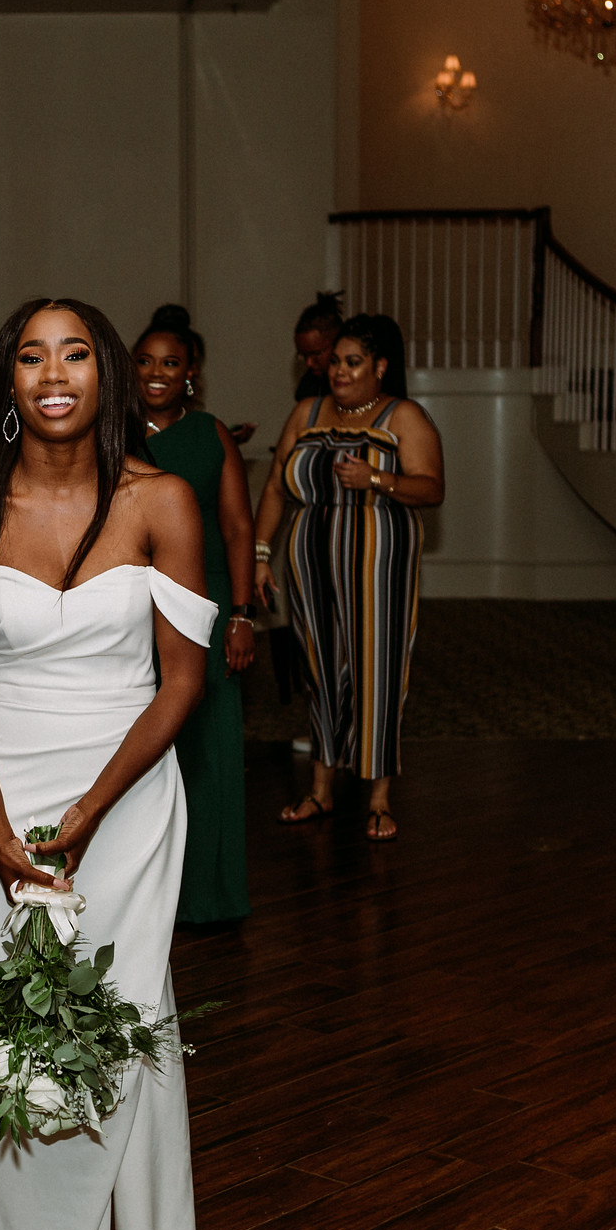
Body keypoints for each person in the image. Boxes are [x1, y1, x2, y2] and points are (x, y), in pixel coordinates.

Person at [0, 297, 243, 1230]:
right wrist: (0, 829)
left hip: (129, 796)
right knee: (15, 1036)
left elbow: (180, 683)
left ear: (103, 376)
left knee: (123, 1030)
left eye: (73, 354)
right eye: (28, 355)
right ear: (5, 381)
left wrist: (93, 811)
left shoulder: (161, 501)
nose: (51, 373)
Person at [251, 313, 444, 842]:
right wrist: (261, 553)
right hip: (309, 559)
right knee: (318, 668)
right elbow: (274, 488)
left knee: (375, 670)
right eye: (335, 360)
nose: (339, 370)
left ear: (380, 367)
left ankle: (379, 797)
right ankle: (321, 788)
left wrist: (376, 477)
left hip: (380, 559)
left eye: (352, 361)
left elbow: (431, 489)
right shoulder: (306, 411)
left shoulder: (403, 416)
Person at [135, 305, 255, 925]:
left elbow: (236, 526)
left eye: (171, 363)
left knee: (206, 750)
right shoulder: (109, 434)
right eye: (146, 361)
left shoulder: (212, 435)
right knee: (134, 750)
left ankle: (206, 894)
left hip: (203, 604)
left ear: (191, 373)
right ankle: (133, 892)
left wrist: (240, 614)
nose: (157, 372)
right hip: (130, 605)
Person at [292, 290, 344, 402]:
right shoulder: (308, 387)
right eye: (303, 356)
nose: (309, 363)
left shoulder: (356, 383)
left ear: (338, 344)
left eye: (316, 353)